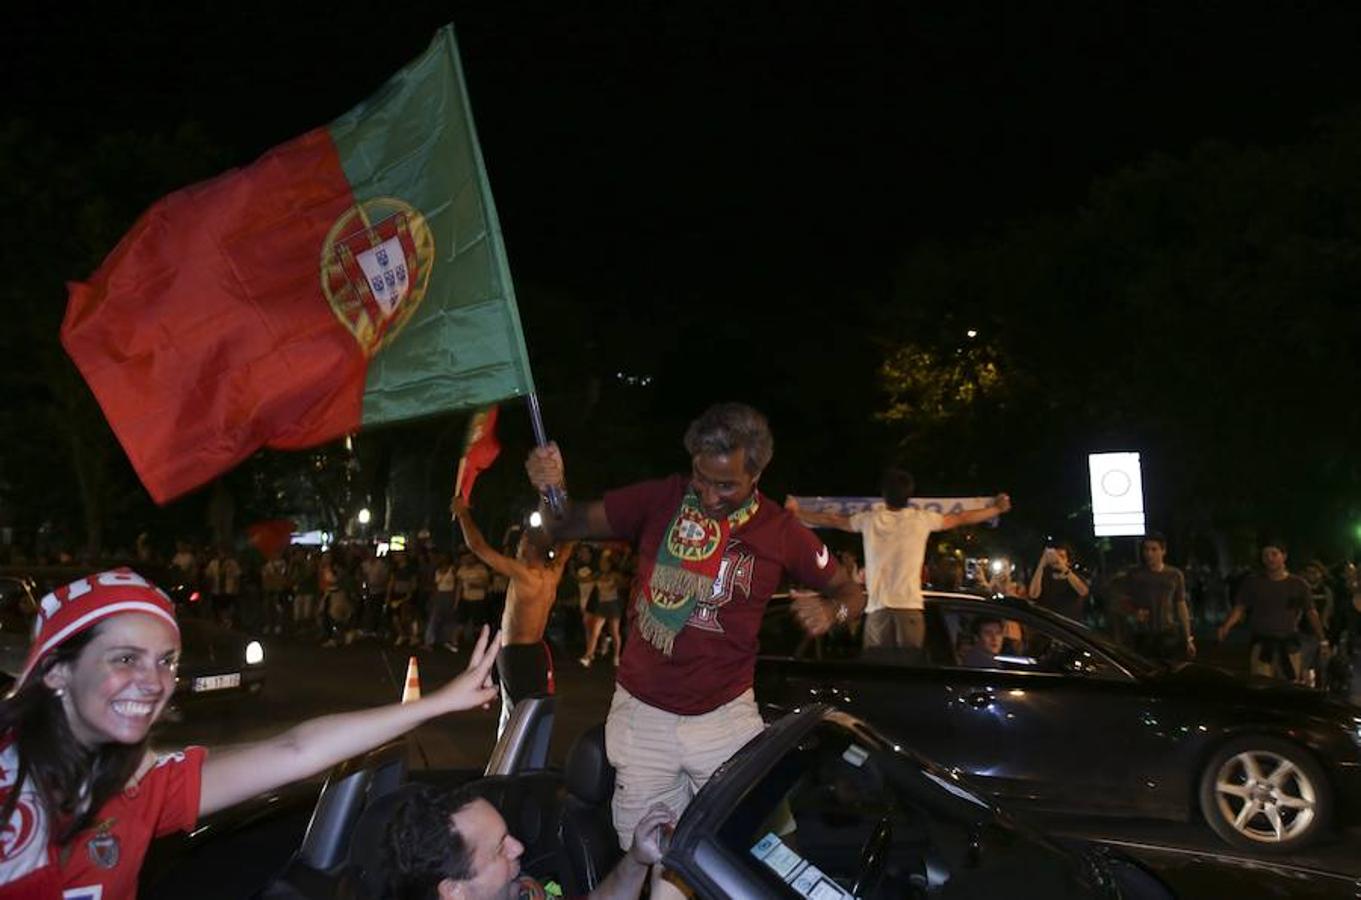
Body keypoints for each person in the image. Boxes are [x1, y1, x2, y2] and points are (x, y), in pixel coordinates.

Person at [525, 402, 862, 893]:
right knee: (654, 861)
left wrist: (835, 614)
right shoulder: (660, 500)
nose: (707, 493)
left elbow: (852, 591)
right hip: (643, 722)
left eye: (725, 484)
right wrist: (550, 488)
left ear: (756, 475)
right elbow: (564, 524)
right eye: (701, 478)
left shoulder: (781, 530)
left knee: (763, 854)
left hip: (726, 722)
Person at [0, 567, 501, 898]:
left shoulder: (138, 781)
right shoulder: (12, 797)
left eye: (166, 662)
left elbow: (295, 749)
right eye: (125, 659)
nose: (154, 682)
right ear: (56, 671)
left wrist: (439, 702)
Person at [786, 467, 1012, 660]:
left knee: (877, 676)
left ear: (883, 494)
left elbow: (832, 520)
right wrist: (997, 509)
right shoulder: (921, 519)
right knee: (907, 674)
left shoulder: (870, 520)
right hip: (909, 611)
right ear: (909, 494)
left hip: (878, 612)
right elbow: (961, 518)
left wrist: (797, 512)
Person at [386, 785, 673, 900]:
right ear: (454, 890)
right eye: (500, 848)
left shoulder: (518, 891)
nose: (518, 847)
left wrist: (637, 858)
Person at [452, 498, 574, 737]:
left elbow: (477, 546)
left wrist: (463, 515)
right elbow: (567, 546)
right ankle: (521, 764)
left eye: (520, 543)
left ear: (528, 547)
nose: (517, 547)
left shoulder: (523, 574)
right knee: (528, 712)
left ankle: (511, 769)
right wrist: (563, 517)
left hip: (515, 654)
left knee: (516, 716)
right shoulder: (553, 573)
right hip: (535, 651)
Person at [1218, 540, 1328, 682]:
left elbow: (1311, 612)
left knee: (1290, 687)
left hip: (1289, 645)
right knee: (1260, 686)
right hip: (1262, 644)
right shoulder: (1253, 582)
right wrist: (1226, 626)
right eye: (1265, 555)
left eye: (1274, 554)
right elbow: (1240, 607)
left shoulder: (1298, 584)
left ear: (1284, 556)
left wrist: (1322, 639)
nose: (1269, 558)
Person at [1106, 533, 1193, 660]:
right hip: (1143, 634)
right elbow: (1119, 600)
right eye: (1146, 549)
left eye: (1154, 549)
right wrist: (1134, 612)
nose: (1149, 553)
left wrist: (1188, 638)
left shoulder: (1174, 575)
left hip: (1168, 632)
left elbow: (1181, 604)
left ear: (1163, 551)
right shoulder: (1134, 574)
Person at [1027, 543, 1090, 624]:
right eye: (1054, 556)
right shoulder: (1043, 576)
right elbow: (1033, 594)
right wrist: (1042, 563)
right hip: (1048, 626)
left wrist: (1063, 568)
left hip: (1068, 628)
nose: (1057, 559)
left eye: (1061, 556)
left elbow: (1083, 591)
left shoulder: (1074, 577)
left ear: (1068, 562)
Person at [582, 551, 625, 667]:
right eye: (601, 563)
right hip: (602, 606)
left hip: (613, 605)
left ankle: (616, 656)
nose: (603, 565)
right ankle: (588, 656)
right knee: (595, 631)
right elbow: (584, 579)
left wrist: (615, 585)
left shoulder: (615, 575)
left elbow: (623, 584)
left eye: (605, 563)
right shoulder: (598, 575)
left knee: (614, 632)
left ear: (610, 564)